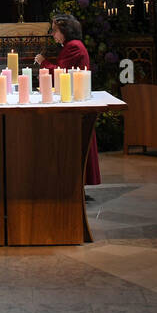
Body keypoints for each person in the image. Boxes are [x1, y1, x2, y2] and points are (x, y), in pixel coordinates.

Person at [35, 13, 102, 191]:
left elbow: (61, 73)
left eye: (55, 30)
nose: (53, 34)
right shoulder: (71, 45)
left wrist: (43, 63)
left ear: (65, 31)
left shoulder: (73, 47)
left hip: (75, 101)